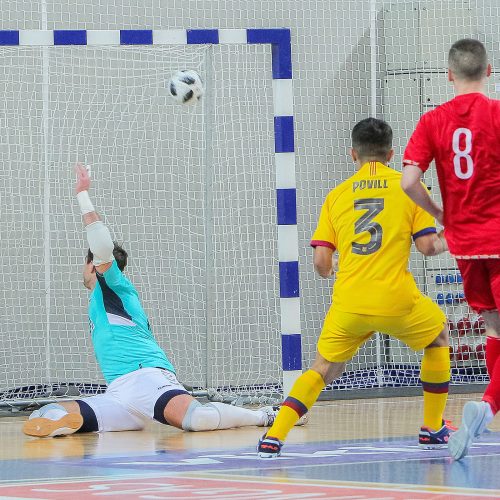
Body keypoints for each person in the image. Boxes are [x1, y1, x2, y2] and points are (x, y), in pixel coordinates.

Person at [23, 163, 306, 438]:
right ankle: (72, 424)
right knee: (45, 413)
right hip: (120, 394)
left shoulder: (112, 285)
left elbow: (102, 247)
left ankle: (268, 415)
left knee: (199, 419)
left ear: (93, 266)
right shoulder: (103, 297)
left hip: (147, 378)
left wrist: (82, 196)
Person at [257, 117, 451, 459]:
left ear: (352, 154)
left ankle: (275, 436)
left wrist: (332, 269)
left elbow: (320, 263)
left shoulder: (336, 196)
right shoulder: (410, 188)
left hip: (349, 302)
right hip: (397, 300)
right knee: (438, 339)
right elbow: (428, 248)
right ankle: (432, 428)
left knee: (322, 369)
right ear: (391, 154)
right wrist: (456, 232)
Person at [401, 38, 500, 461]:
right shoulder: (496, 114)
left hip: (464, 242)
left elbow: (408, 182)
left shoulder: (432, 120)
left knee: (494, 329)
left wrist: (441, 213)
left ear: (448, 74)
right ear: (489, 71)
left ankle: (487, 405)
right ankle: (487, 406)